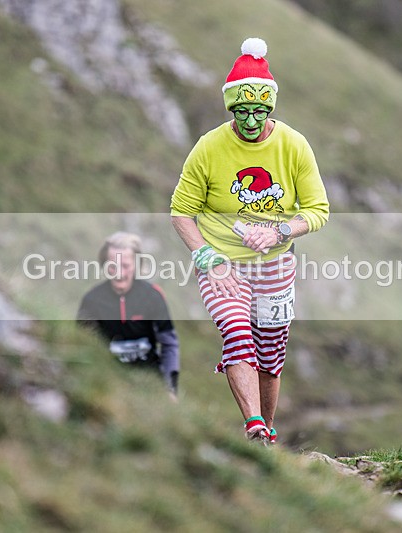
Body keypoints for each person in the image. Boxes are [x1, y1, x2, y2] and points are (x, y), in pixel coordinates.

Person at [170, 38, 329, 444]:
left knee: (270, 356)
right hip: (222, 262)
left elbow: (318, 211)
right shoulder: (209, 147)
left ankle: (268, 431)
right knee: (238, 332)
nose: (252, 120)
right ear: (231, 109)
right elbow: (181, 210)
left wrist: (278, 230)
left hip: (276, 263)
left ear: (270, 108)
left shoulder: (293, 145)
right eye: (242, 111)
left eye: (259, 110)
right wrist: (205, 254)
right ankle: (253, 426)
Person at [77, 231, 180, 398]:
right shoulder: (91, 301)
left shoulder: (153, 296)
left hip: (150, 382)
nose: (119, 273)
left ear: (137, 265)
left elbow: (169, 344)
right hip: (108, 383)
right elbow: (82, 347)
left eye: (125, 266)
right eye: (112, 266)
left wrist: (170, 387)